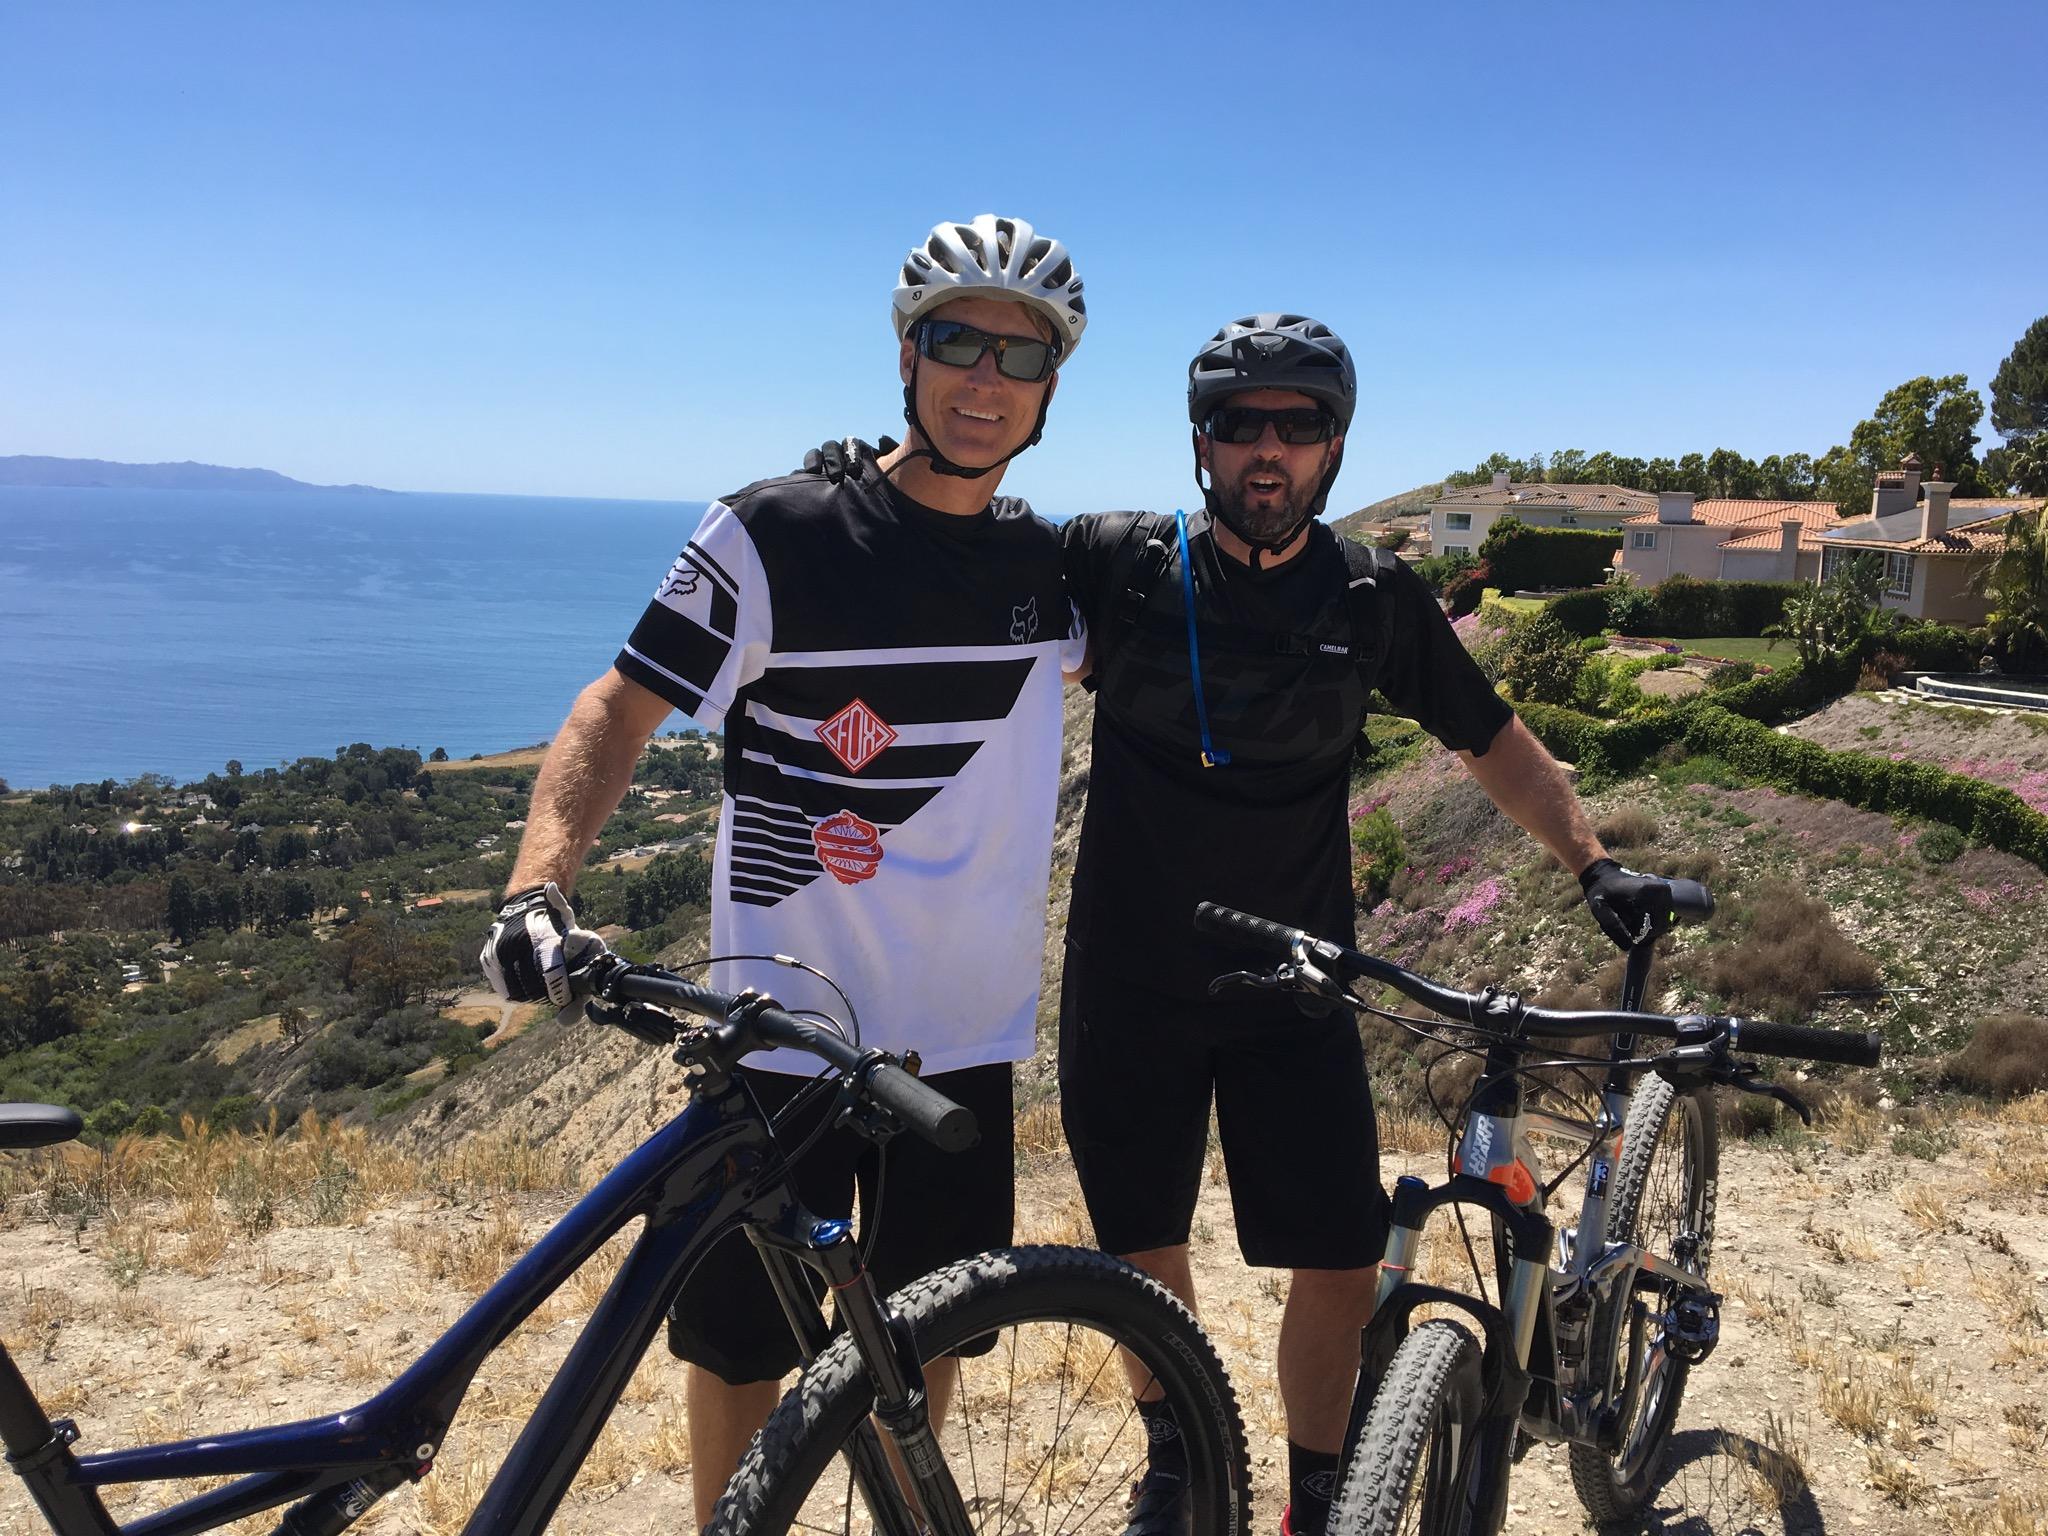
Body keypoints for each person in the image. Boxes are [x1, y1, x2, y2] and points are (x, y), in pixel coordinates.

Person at [479, 214, 1090, 1528]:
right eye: (955, 342)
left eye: (1019, 357)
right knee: (739, 1345)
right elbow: (616, 709)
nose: (984, 381)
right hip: (778, 1035)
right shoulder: (775, 533)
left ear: (1050, 388)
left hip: (959, 1044)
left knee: (919, 1353)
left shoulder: (1056, 574)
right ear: (907, 355)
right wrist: (540, 884)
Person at [1055, 314, 1671, 1536]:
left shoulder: (1368, 595)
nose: (1267, 451)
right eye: (1241, 425)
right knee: (1138, 1249)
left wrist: (1590, 860)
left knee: (1338, 1259)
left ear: (1334, 448)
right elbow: (954, 551)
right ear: (1201, 443)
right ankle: (1178, 1462)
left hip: (1293, 985)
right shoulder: (1120, 564)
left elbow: (1489, 739)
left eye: (1298, 426)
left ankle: (1323, 1493)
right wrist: (866, 480)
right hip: (1127, 978)